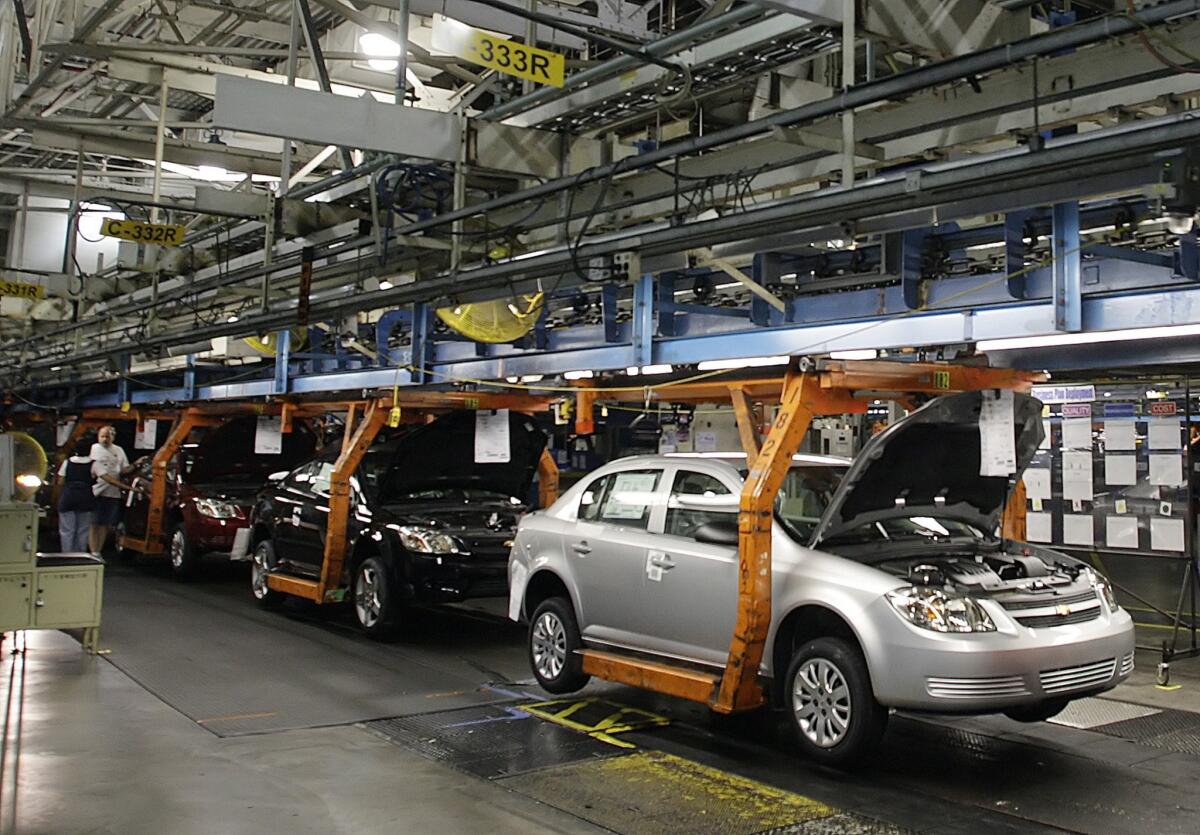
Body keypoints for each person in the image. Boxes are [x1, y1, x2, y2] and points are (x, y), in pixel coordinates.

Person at [89, 425, 141, 556]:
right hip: (96, 491)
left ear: (113, 436)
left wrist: (136, 465)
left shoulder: (119, 450)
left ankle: (97, 551)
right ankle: (92, 550)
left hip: (112, 493)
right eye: (102, 436)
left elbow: (123, 470)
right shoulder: (93, 449)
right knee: (93, 523)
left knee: (105, 524)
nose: (105, 439)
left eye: (108, 436)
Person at [57, 438, 96, 553]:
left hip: (68, 497)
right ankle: (80, 555)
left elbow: (60, 481)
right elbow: (105, 477)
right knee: (83, 530)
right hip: (85, 498)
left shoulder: (67, 462)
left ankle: (66, 554)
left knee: (67, 530)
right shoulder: (93, 464)